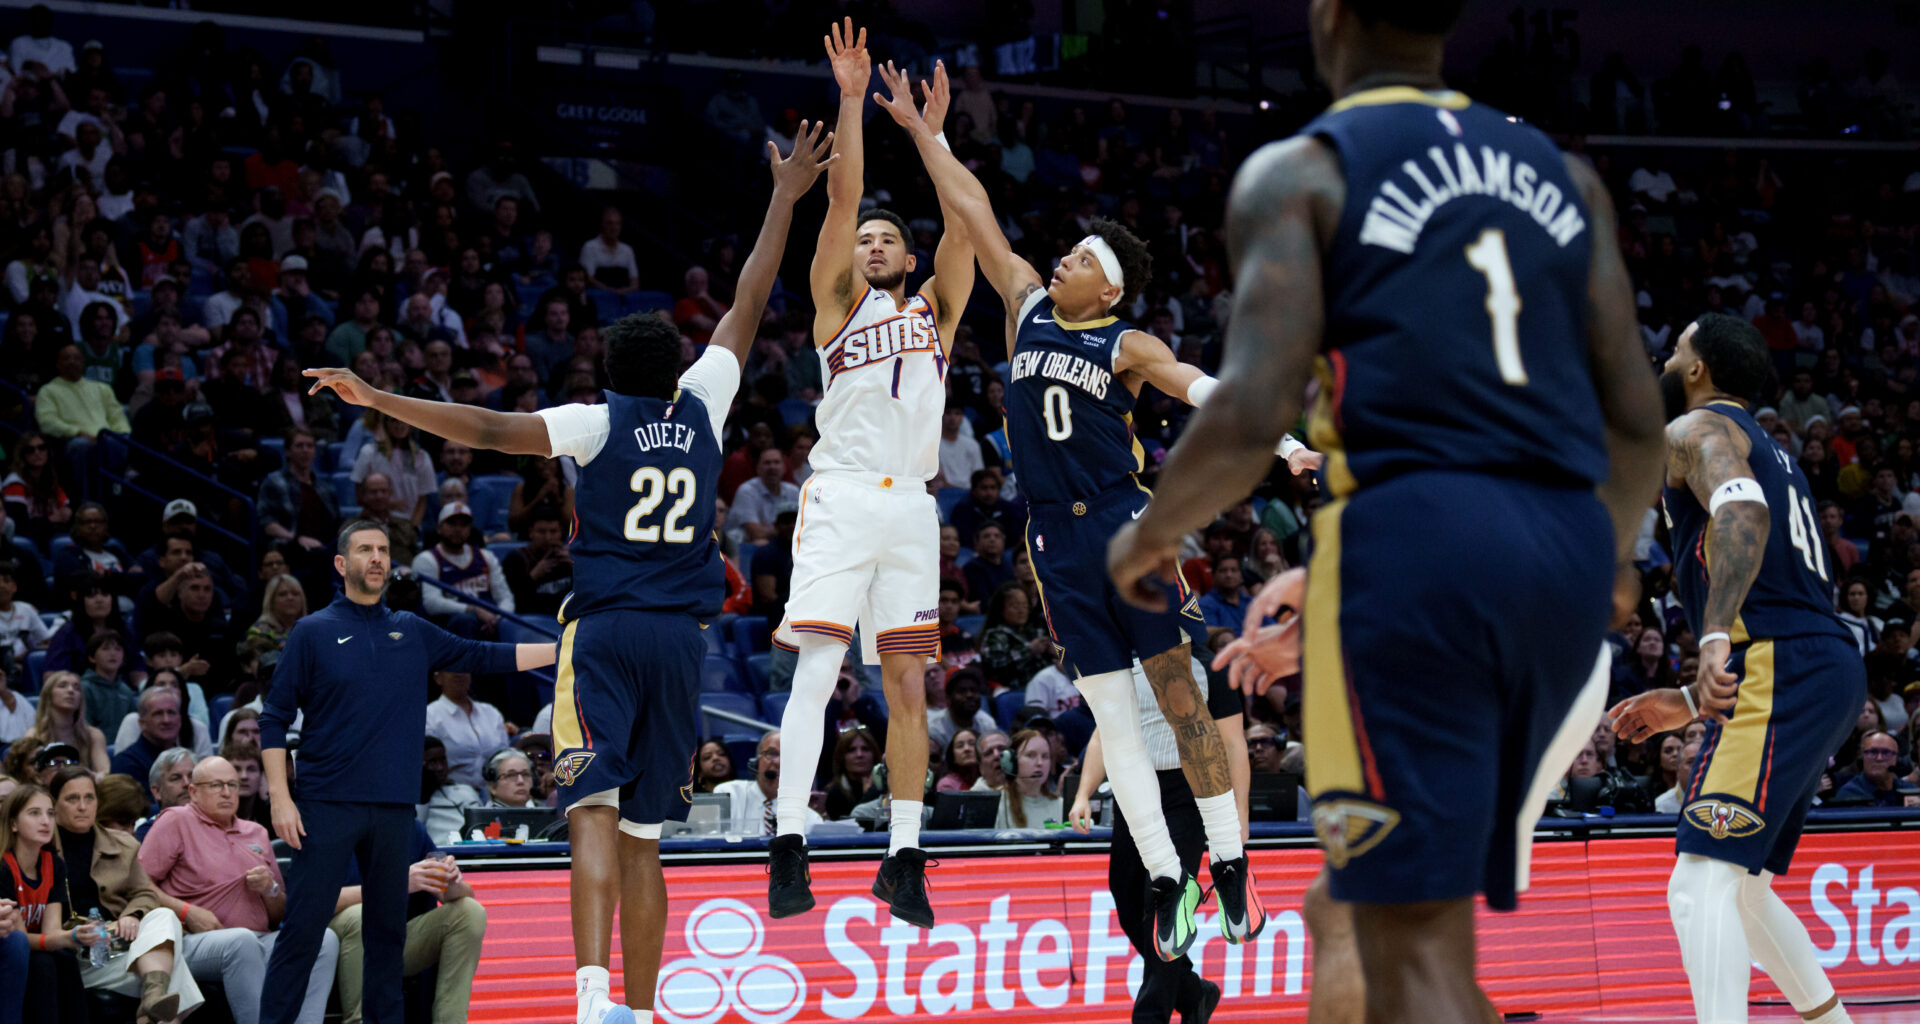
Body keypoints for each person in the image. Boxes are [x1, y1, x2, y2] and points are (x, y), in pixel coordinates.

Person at [1106, 2, 1673, 1015]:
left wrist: (1148, 535)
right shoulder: (1561, 174)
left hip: (1418, 550)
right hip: (1562, 558)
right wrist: (1611, 560)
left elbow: (1248, 408)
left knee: (1403, 943)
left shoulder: (1304, 171)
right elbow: (1636, 421)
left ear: (1326, 15)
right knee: (1383, 922)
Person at [303, 129, 832, 1024]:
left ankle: (592, 1003)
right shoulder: (705, 401)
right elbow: (749, 294)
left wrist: (380, 397)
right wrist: (785, 195)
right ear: (678, 368)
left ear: (612, 373)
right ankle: (644, 1008)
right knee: (646, 841)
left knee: (590, 811)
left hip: (605, 633)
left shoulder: (595, 421)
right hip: (681, 644)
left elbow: (485, 426)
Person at [874, 59, 1283, 960]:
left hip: (1124, 527)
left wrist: (1271, 433)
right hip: (1052, 536)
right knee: (1111, 717)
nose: (1066, 258)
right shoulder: (1024, 308)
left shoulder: (1126, 339)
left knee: (1181, 698)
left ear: (1109, 291)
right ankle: (1170, 874)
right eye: (1071, 250)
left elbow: (1190, 382)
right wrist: (926, 136)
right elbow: (976, 212)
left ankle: (1231, 863)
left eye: (1086, 260)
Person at [765, 18, 974, 934]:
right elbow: (842, 196)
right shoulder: (835, 304)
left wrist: (932, 137)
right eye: (869, 239)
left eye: (892, 237)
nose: (876, 243)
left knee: (906, 691)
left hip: (913, 512)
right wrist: (852, 101)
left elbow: (966, 220)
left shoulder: (938, 310)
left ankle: (905, 857)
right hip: (844, 497)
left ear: (911, 256)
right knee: (816, 672)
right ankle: (787, 841)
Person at [1611, 314, 1865, 1024]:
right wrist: (1695, 698)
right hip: (1824, 664)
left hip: (1780, 662)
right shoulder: (1771, 447)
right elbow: (1781, 590)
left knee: (1695, 886)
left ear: (1698, 371)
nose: (1664, 361)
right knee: (1745, 892)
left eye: (1675, 352)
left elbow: (1741, 510)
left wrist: (1715, 638)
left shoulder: (1696, 431)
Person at [255, 519, 550, 1024]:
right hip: (327, 804)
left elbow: (483, 655)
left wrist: (566, 650)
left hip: (395, 808)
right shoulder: (312, 632)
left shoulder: (411, 630)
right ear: (342, 564)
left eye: (384, 550)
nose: (377, 558)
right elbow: (273, 717)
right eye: (365, 549)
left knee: (388, 938)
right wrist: (280, 797)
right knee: (303, 932)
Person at [1069, 655, 1244, 1024]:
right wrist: (1083, 793)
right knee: (1127, 898)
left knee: (1165, 904)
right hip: (1133, 789)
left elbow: (1232, 743)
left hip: (1190, 790)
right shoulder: (1120, 669)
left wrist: (1237, 816)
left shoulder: (1210, 668)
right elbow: (1104, 734)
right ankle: (1193, 992)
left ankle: (1151, 1016)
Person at [140, 756, 338, 1024]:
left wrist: (270, 889)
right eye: (216, 785)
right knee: (241, 941)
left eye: (232, 785)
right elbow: (140, 885)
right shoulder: (176, 820)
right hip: (194, 940)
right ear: (193, 792)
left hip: (257, 938)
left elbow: (278, 916)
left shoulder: (255, 832)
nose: (226, 792)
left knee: (323, 939)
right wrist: (188, 911)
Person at [50, 767, 200, 1022]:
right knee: (175, 976)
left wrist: (131, 915)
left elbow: (144, 893)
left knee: (163, 914)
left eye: (89, 798)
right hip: (80, 950)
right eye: (72, 799)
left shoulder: (123, 843)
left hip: (120, 941)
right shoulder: (44, 846)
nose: (83, 806)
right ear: (54, 803)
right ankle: (151, 1004)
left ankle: (153, 996)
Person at [323, 818, 487, 1024]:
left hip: (394, 938)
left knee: (470, 912)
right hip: (341, 939)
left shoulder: (411, 827)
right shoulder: (333, 822)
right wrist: (397, 883)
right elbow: (316, 901)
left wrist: (452, 881)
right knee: (361, 915)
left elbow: (461, 895)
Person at [3, 784, 104, 1024]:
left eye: (49, 813)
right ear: (14, 824)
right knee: (44, 962)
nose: (46, 821)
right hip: (14, 950)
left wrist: (74, 936)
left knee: (64, 958)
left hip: (40, 946)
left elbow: (50, 931)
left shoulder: (54, 863)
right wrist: (71, 937)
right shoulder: (4, 866)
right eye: (34, 813)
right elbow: (20, 939)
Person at [413, 503, 512, 638]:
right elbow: (432, 603)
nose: (458, 529)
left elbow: (505, 597)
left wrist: (497, 619)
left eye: (463, 525)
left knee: (510, 625)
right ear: (439, 528)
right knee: (465, 621)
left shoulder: (486, 556)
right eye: (452, 524)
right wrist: (473, 610)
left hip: (489, 623)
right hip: (447, 630)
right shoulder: (426, 559)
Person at [716, 732, 820, 836]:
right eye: (772, 754)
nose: (779, 762)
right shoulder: (729, 795)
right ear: (755, 763)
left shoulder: (810, 818)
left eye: (787, 756)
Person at [425, 671, 511, 789]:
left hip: (496, 793)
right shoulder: (430, 715)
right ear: (438, 678)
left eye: (463, 668)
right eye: (452, 669)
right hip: (451, 795)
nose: (459, 674)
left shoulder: (491, 713)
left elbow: (506, 758)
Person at [21, 671, 109, 775]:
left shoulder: (94, 735)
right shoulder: (34, 735)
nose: (71, 691)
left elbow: (104, 773)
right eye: (62, 686)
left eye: (77, 688)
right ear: (48, 695)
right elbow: (29, 775)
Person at [109, 687, 185, 785]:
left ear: (180, 720)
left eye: (171, 712)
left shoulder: (187, 760)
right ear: (142, 723)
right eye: (158, 714)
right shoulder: (126, 763)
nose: (166, 720)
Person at [992, 729, 1061, 828]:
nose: (1040, 763)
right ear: (1012, 761)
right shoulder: (995, 805)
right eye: (1031, 755)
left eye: (1045, 756)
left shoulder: (1061, 806)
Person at [1832, 730, 1915, 807]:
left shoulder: (1909, 790)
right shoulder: (1850, 794)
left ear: (1896, 759)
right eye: (1872, 752)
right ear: (1863, 757)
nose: (1879, 758)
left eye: (1886, 753)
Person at [926, 667, 997, 753]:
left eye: (974, 690)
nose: (969, 695)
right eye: (962, 691)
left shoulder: (987, 723)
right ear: (948, 697)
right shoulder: (934, 729)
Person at [822, 727, 880, 821]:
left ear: (874, 754)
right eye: (851, 750)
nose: (859, 754)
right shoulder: (835, 793)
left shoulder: (885, 789)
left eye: (865, 749)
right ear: (842, 757)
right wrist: (869, 795)